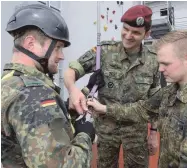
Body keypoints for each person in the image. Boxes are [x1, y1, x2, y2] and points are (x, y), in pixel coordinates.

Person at [87, 30, 187, 168]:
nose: (160, 69)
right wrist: (104, 108)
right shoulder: (171, 92)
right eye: (159, 63)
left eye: (166, 64)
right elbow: (140, 110)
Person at [64, 4, 162, 168]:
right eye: (125, 29)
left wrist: (153, 133)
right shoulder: (104, 52)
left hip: (136, 133)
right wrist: (73, 90)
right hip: (106, 130)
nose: (128, 35)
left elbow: (155, 102)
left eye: (136, 32)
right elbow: (71, 71)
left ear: (147, 34)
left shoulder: (153, 60)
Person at [1, 4, 95, 168]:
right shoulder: (34, 95)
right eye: (57, 47)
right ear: (30, 43)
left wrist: (65, 113)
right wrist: (85, 135)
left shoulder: (9, 81)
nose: (62, 56)